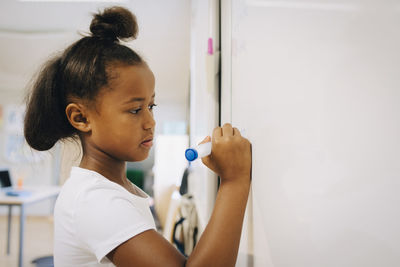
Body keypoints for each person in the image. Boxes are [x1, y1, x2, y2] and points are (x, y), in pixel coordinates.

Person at [24, 6, 251, 267]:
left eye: (151, 106)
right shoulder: (94, 200)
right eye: (134, 109)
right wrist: (234, 181)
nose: (150, 122)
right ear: (81, 118)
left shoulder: (113, 190)